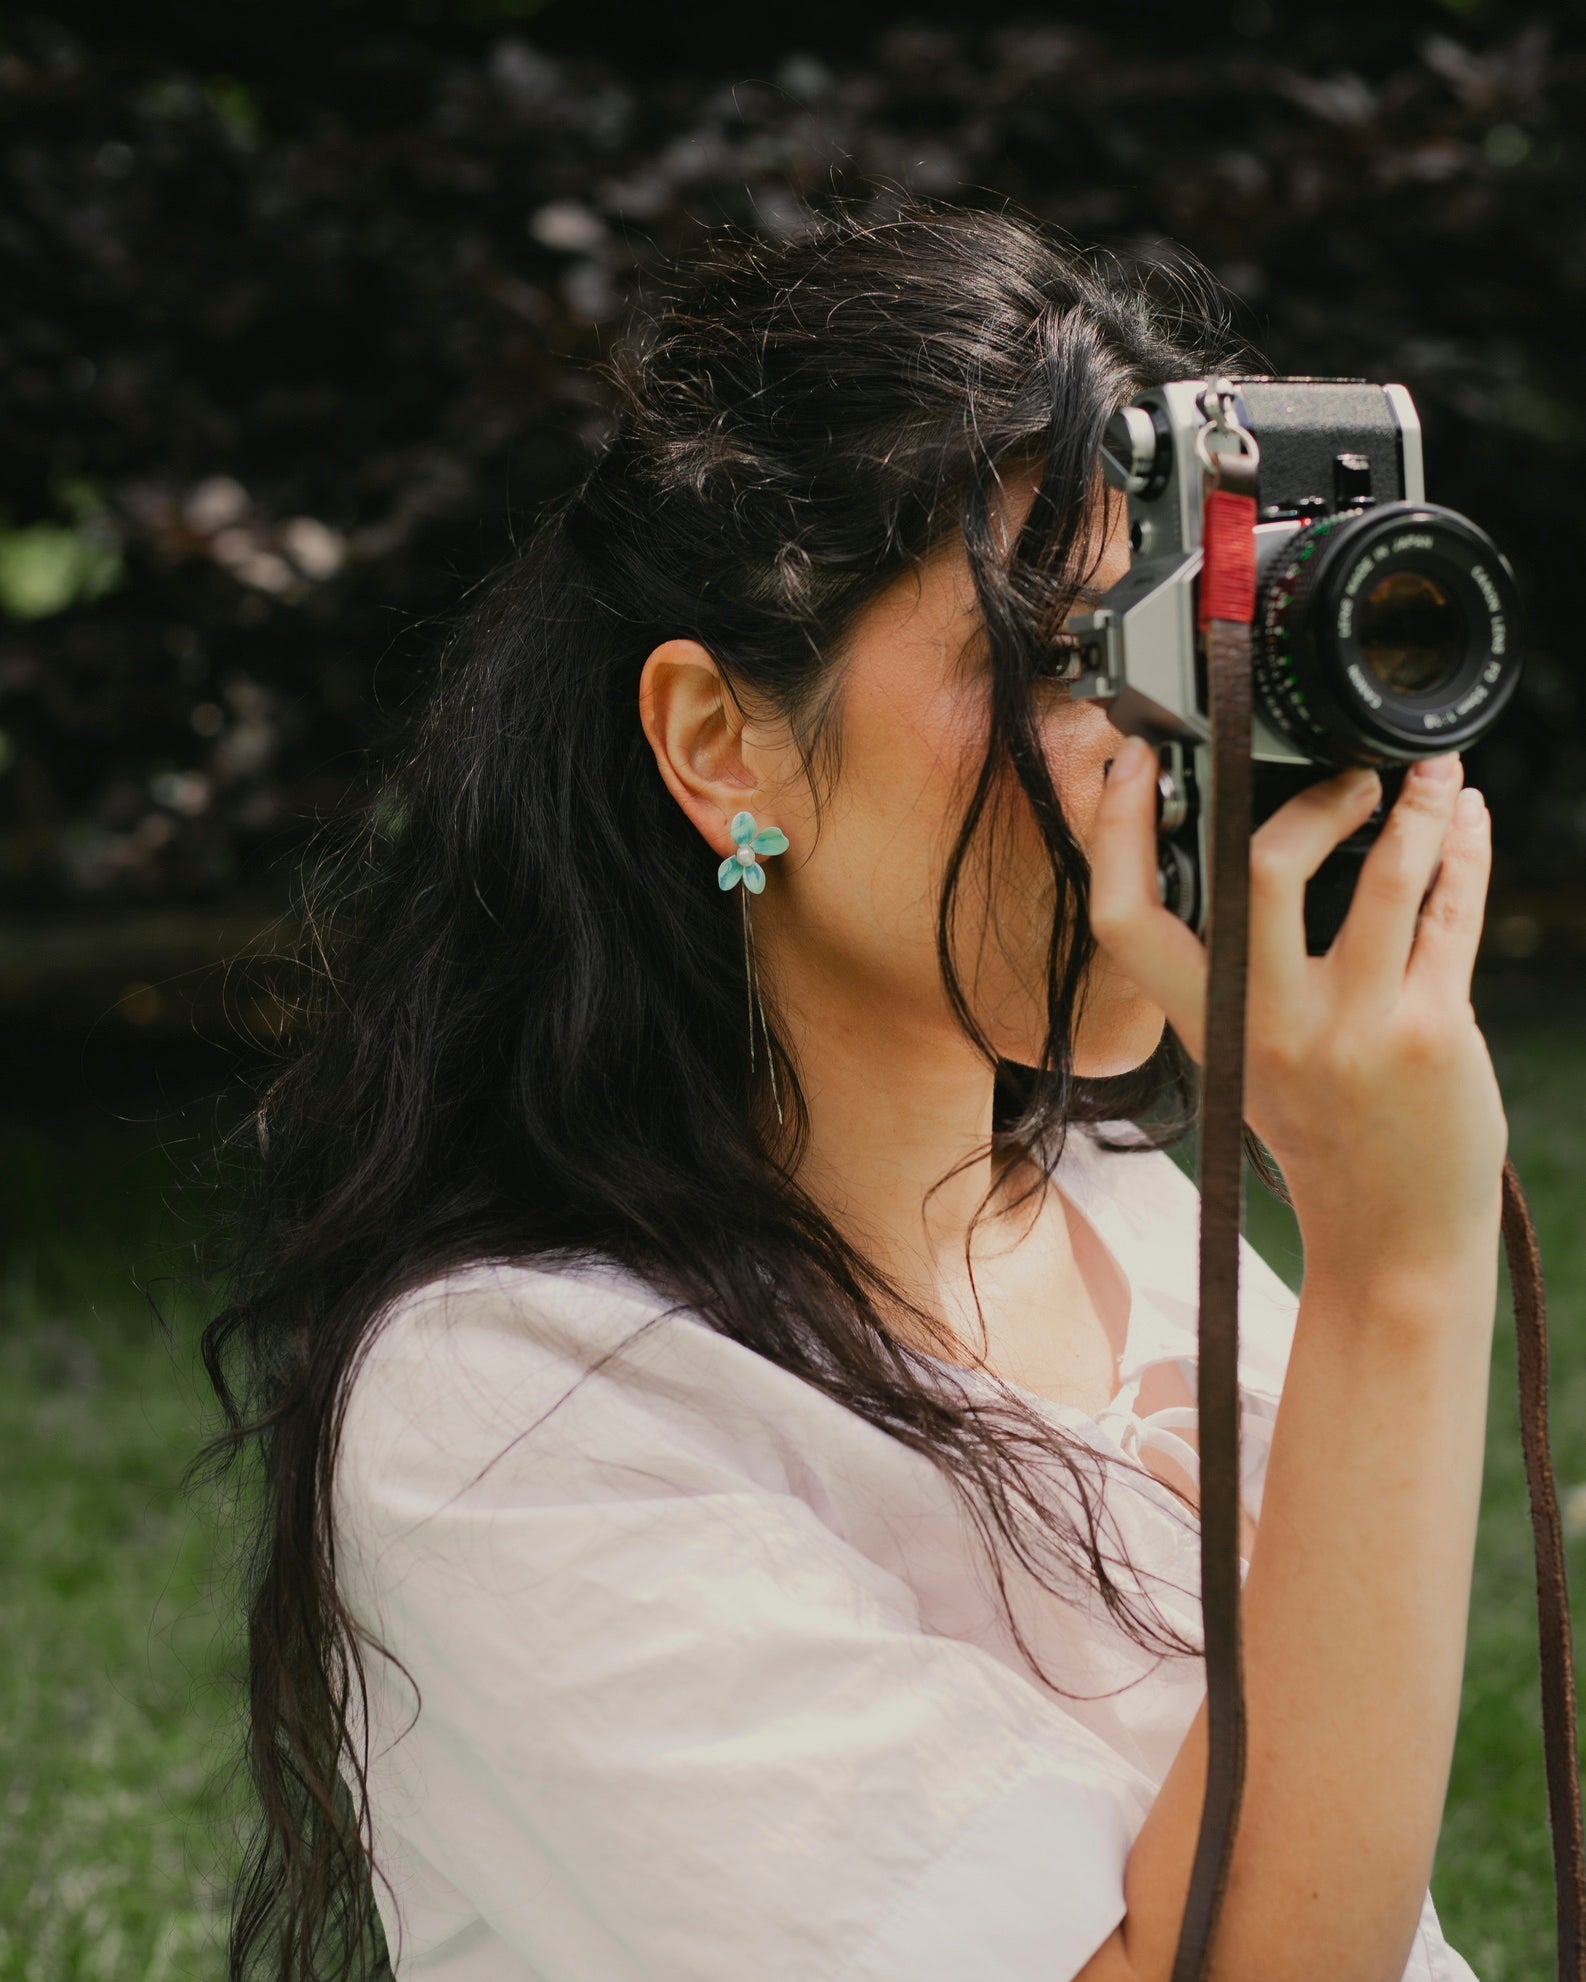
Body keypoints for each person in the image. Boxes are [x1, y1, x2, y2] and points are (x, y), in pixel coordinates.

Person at [200, 202, 1505, 1981]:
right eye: (1058, 654)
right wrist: (1396, 1281)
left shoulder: (1140, 1227)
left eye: (1182, 643)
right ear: (721, 746)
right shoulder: (514, 1402)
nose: (1161, 745)